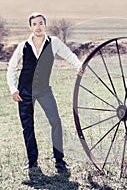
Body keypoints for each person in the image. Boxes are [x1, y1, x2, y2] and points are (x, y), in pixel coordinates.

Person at [7, 12, 83, 172]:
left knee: (56, 122)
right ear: (30, 27)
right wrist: (13, 89)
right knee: (28, 126)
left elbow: (68, 54)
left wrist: (78, 65)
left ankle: (59, 160)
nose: (38, 27)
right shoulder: (23, 46)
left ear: (45, 25)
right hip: (25, 92)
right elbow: (11, 68)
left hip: (44, 90)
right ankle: (32, 160)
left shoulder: (53, 42)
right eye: (34, 24)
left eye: (40, 23)